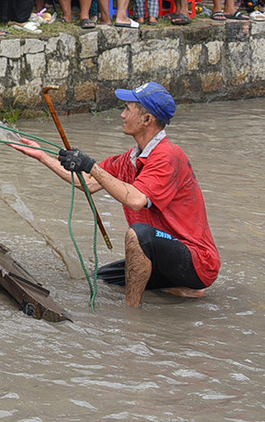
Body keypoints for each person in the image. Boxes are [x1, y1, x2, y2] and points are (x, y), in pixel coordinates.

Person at [11, 81, 218, 307]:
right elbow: (88, 183)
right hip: (159, 256)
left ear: (147, 119)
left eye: (128, 109)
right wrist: (42, 156)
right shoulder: (130, 158)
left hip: (196, 262)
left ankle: (132, 313)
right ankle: (174, 289)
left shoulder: (168, 156)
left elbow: (136, 199)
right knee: (97, 280)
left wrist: (90, 165)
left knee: (137, 235)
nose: (122, 114)